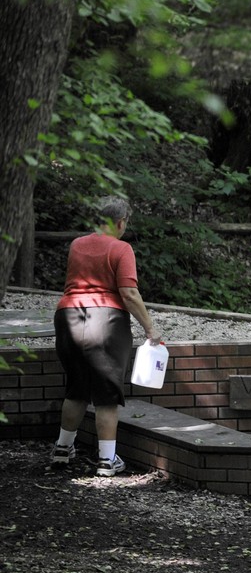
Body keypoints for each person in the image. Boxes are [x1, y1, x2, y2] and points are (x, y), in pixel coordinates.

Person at [49, 196, 162, 477]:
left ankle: (63, 449)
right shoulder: (122, 249)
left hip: (68, 316)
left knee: (76, 388)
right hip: (107, 320)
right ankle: (107, 460)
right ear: (121, 222)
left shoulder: (77, 245)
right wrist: (150, 328)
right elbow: (129, 293)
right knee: (106, 394)